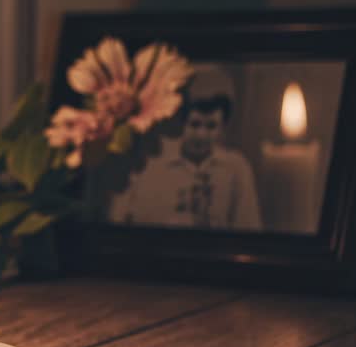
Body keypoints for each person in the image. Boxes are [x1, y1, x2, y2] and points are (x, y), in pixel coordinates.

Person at [108, 66, 262, 231]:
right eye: (194, 125)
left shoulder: (237, 168)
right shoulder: (149, 161)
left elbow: (249, 228)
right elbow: (118, 220)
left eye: (211, 126)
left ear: (222, 127)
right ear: (182, 122)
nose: (202, 135)